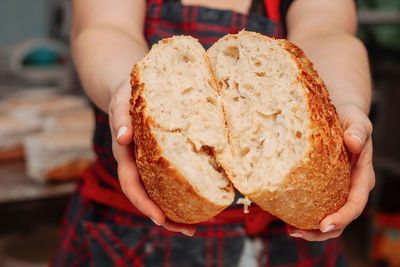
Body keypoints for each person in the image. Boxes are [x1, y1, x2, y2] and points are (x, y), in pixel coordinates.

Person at [51, 0, 375, 266]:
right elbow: (105, 29)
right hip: (132, 236)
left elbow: (328, 34)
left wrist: (346, 102)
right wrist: (124, 89)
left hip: (288, 243)